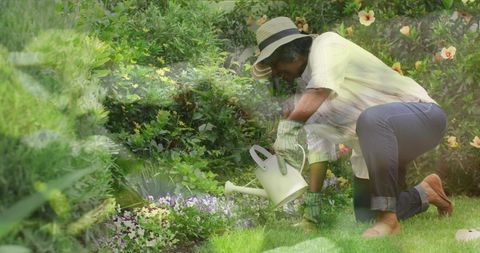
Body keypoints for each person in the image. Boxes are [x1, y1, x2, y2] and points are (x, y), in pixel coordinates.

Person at [251, 17, 453, 237]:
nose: (275, 72)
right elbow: (319, 146)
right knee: (365, 218)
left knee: (372, 119)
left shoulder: (327, 45)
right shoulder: (307, 87)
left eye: (275, 64)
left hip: (422, 118)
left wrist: (289, 126)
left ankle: (389, 222)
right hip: (376, 147)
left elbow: (321, 89)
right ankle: (427, 191)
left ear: (290, 51)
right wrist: (312, 208)